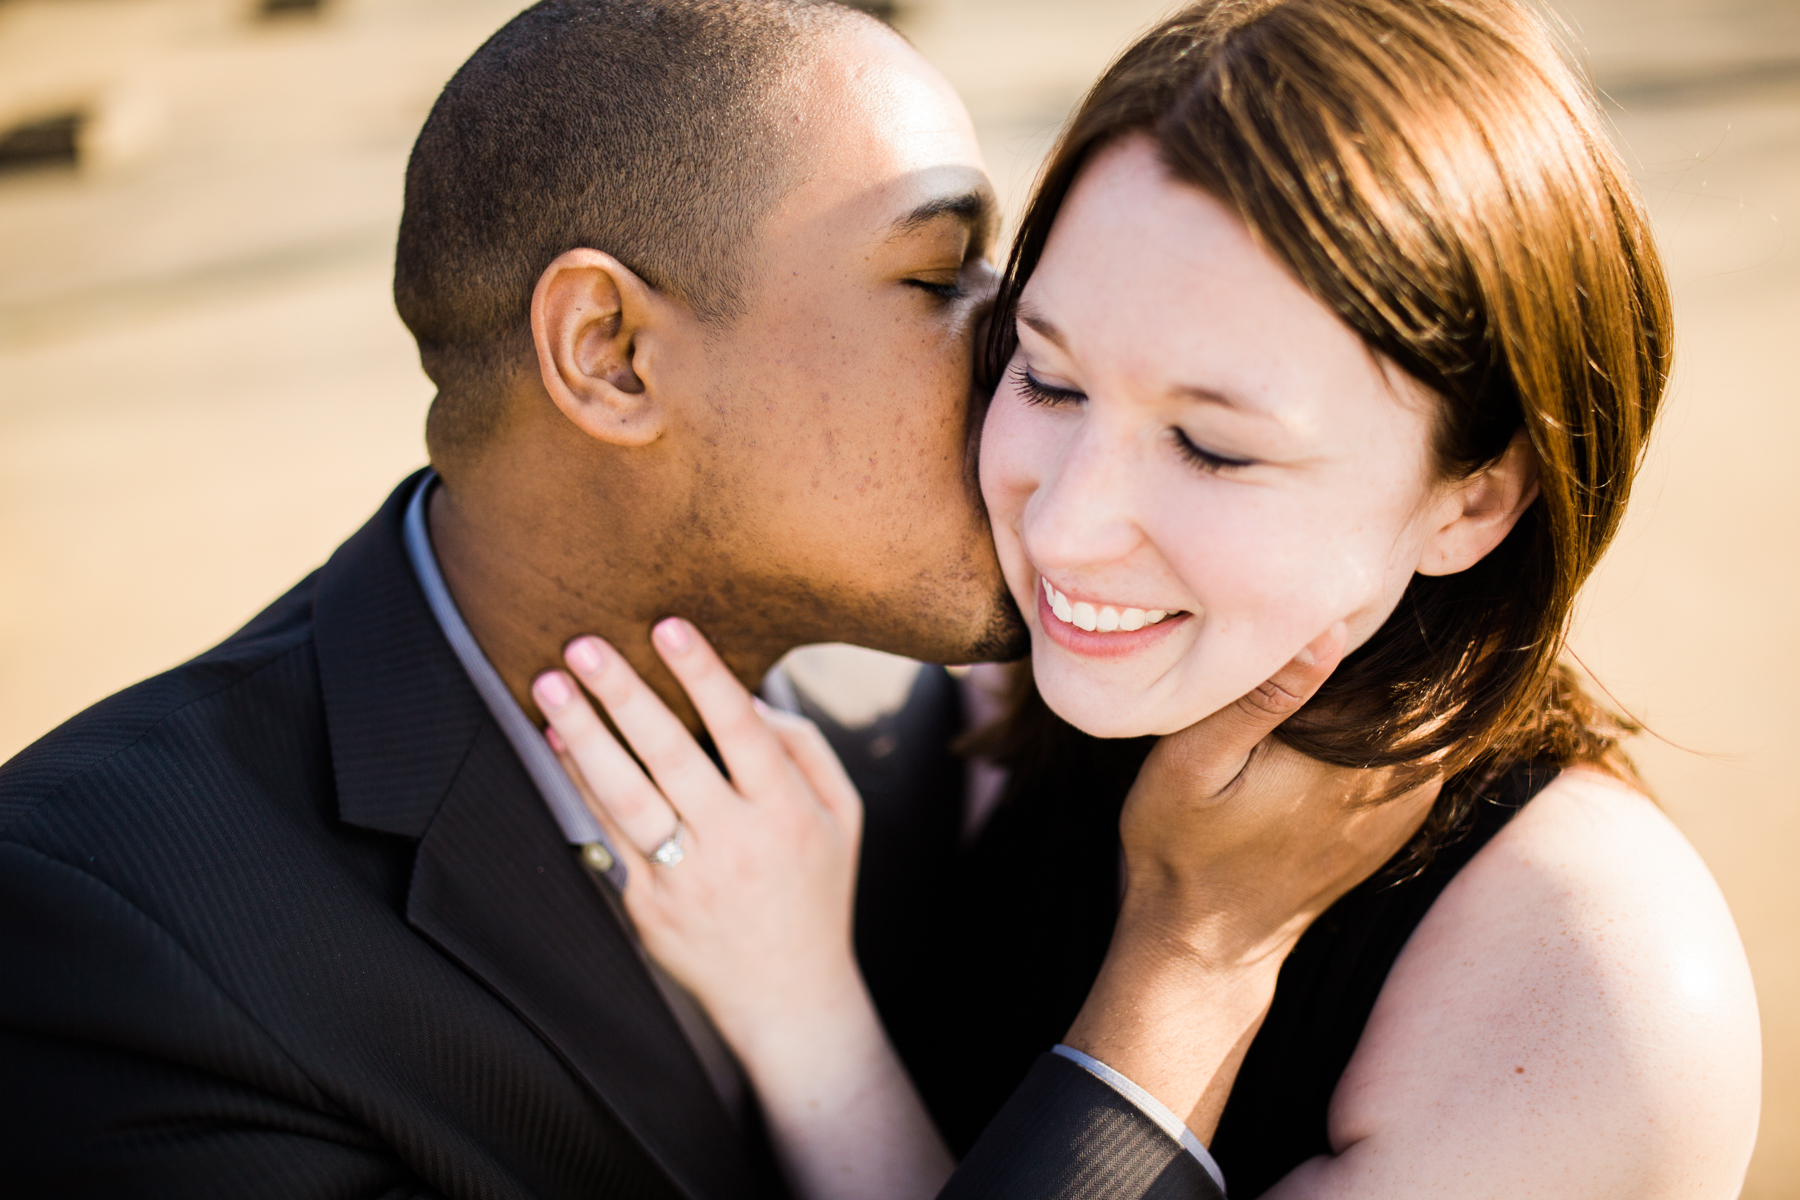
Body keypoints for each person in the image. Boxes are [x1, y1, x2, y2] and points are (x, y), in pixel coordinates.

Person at [0, 1, 1393, 1196]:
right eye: (936, 274)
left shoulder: (926, 726)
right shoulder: (107, 925)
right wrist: (1187, 973)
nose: (1024, 340)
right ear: (609, 355)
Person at [532, 1, 1764, 1198]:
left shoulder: (1594, 992)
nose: (1062, 527)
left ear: (1475, 500)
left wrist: (811, 1028)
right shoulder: (1002, 707)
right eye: (1050, 379)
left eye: (1214, 448)